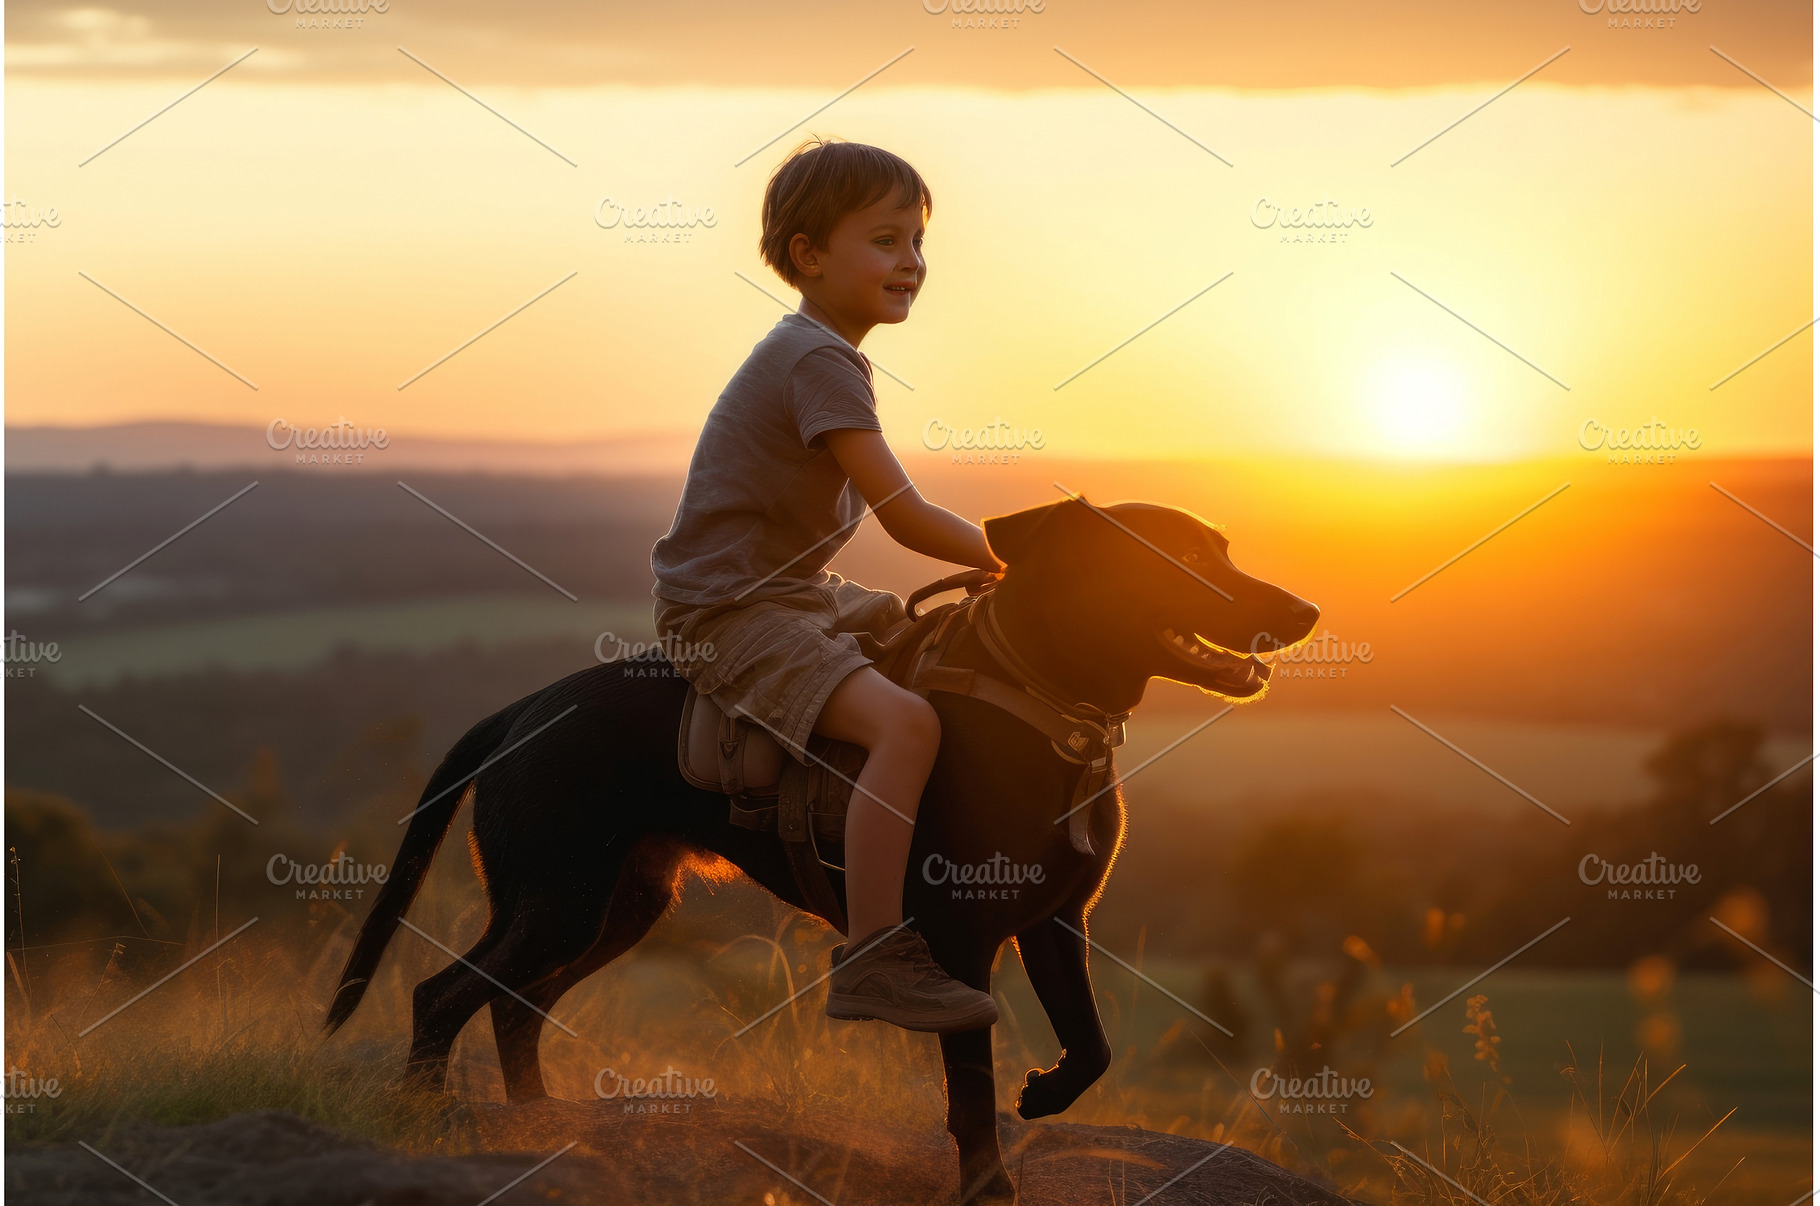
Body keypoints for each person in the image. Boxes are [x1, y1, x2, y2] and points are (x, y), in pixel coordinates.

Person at [651, 137, 1003, 1033]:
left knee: (929, 642)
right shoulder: (818, 360)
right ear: (810, 255)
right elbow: (910, 518)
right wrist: (1022, 562)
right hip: (728, 610)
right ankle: (876, 956)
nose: (912, 263)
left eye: (919, 242)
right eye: (886, 241)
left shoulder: (825, 352)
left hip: (794, 590)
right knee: (908, 719)